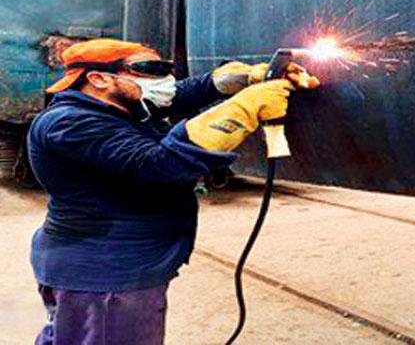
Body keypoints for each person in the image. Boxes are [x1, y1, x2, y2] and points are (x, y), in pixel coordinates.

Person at [28, 39, 316, 345]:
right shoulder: (70, 123)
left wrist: (234, 80)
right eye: (147, 70)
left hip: (109, 266)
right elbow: (161, 164)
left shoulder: (117, 104)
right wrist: (242, 108)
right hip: (106, 275)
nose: (162, 80)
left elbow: (176, 96)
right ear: (98, 78)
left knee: (69, 336)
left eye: (165, 69)